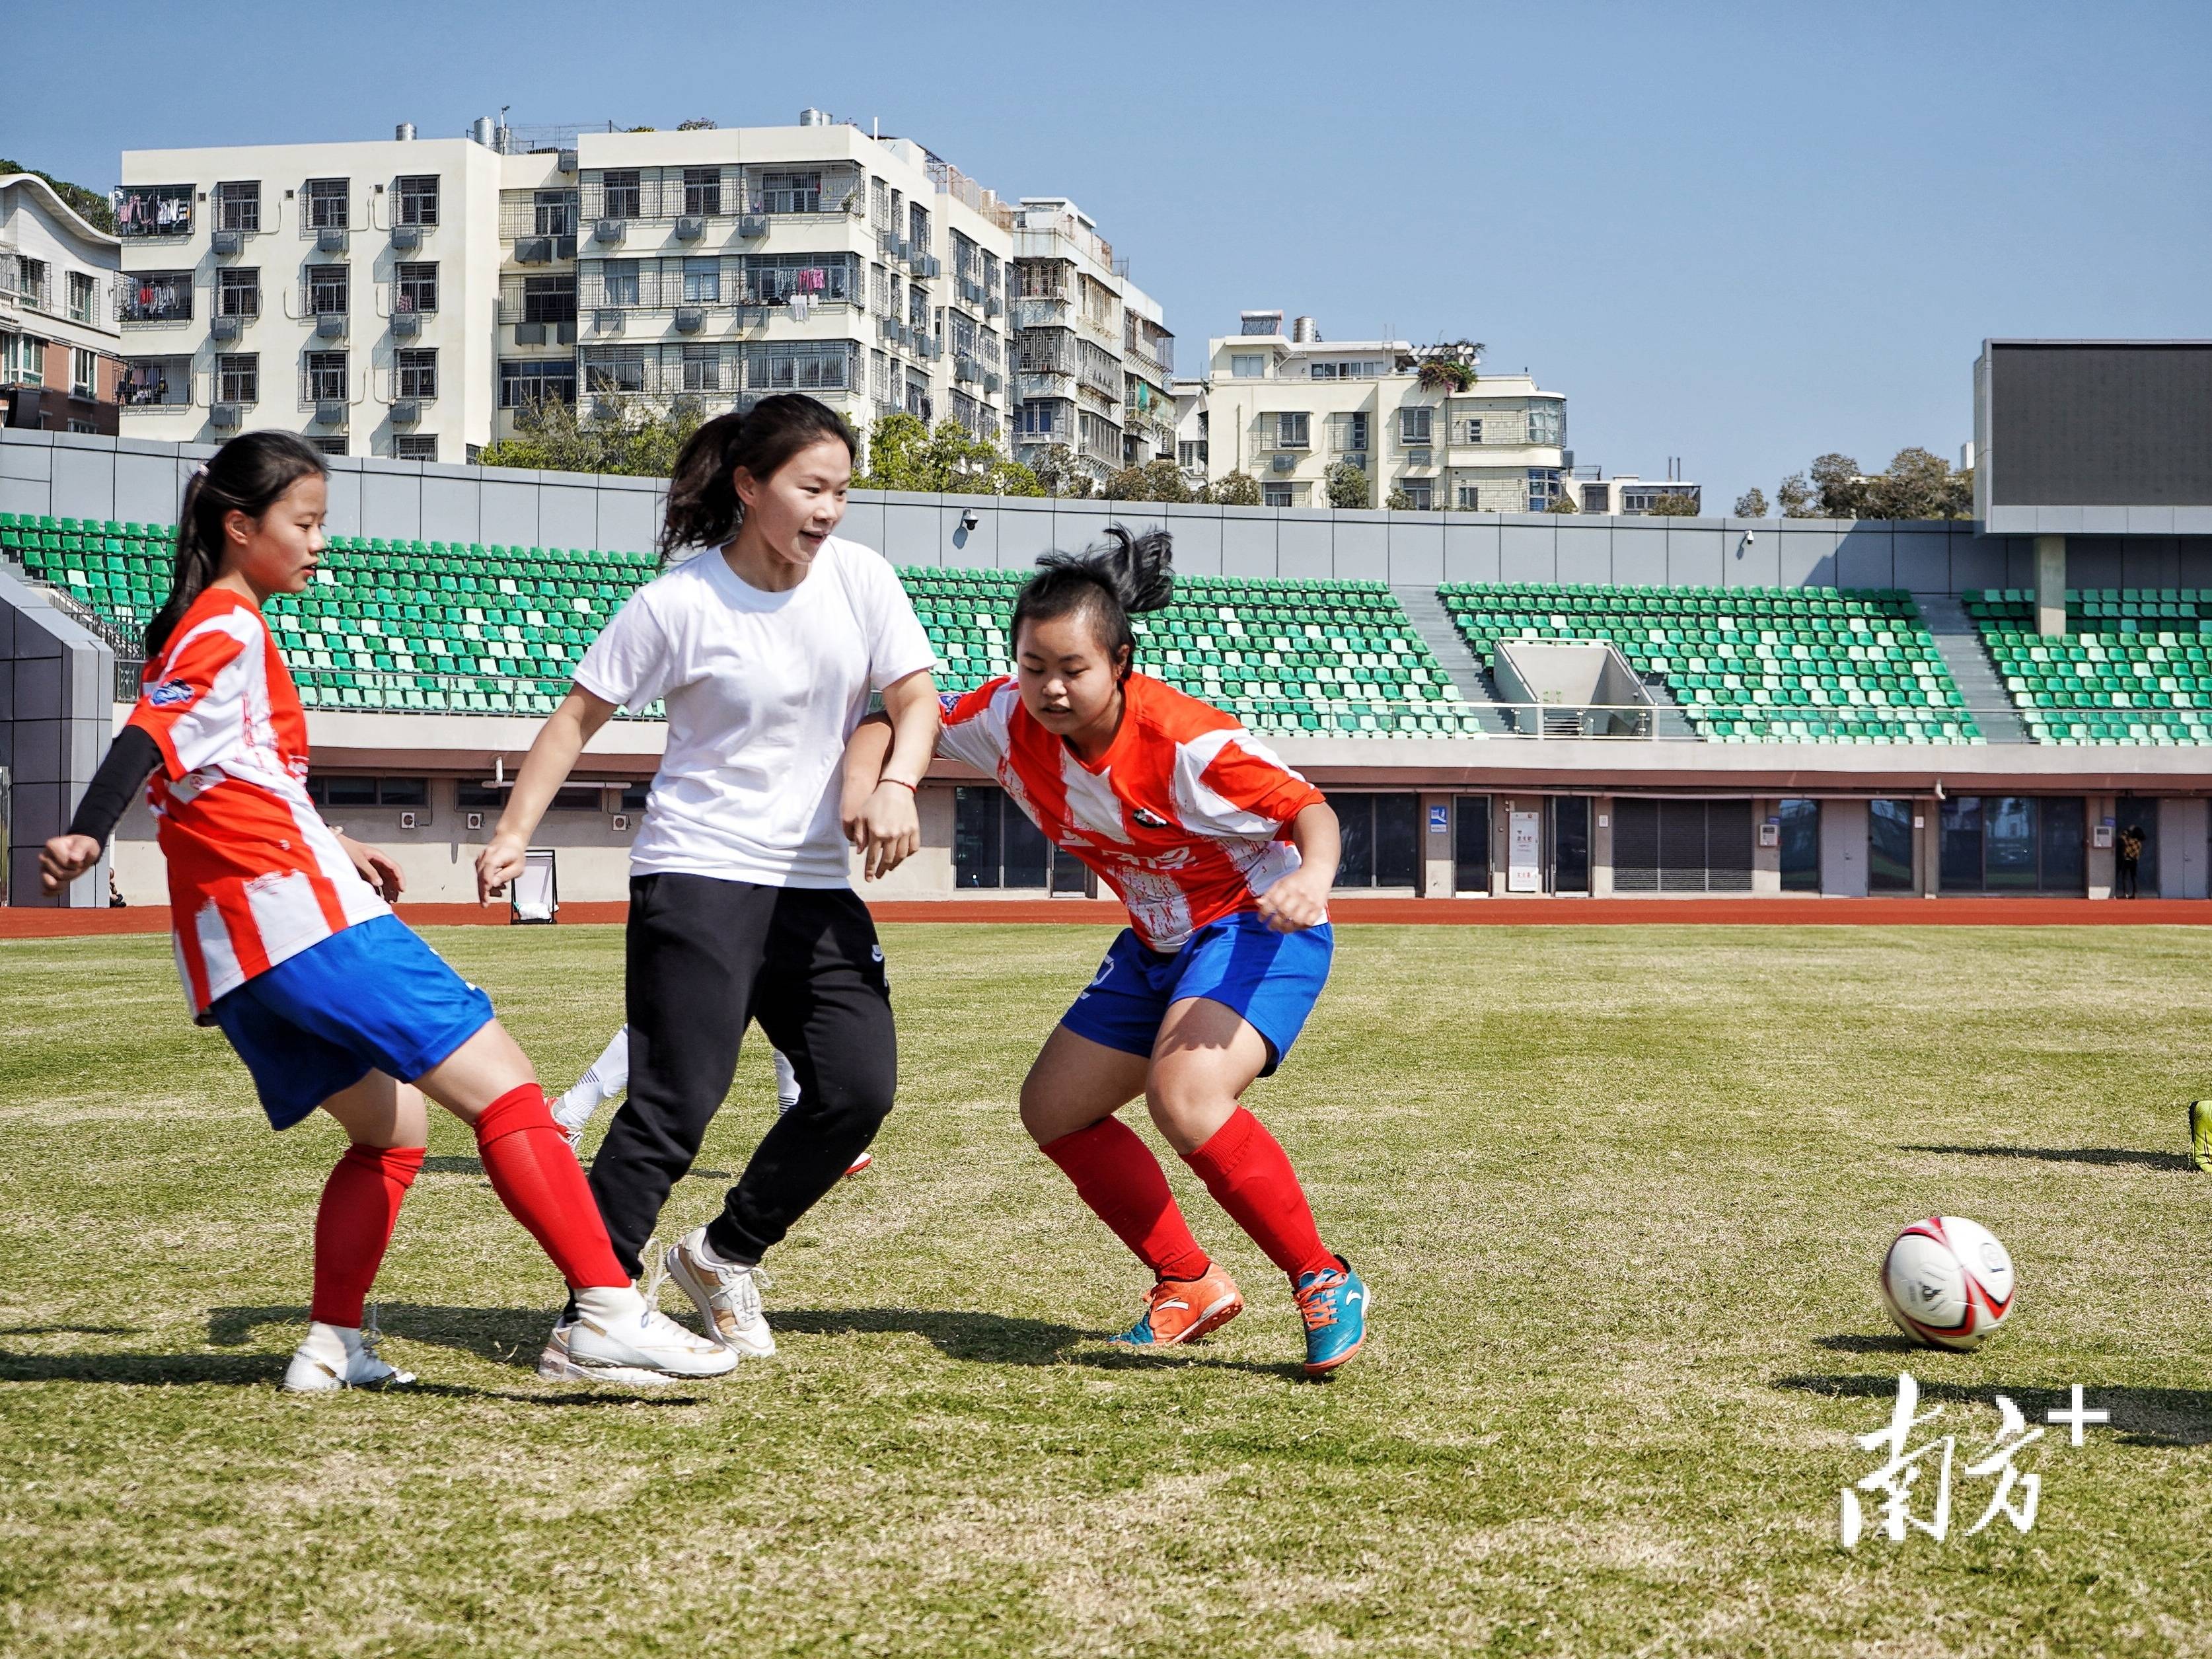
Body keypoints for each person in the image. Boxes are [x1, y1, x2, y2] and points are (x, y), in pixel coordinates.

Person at [39, 431, 735, 1393]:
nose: (322, 541)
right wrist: (86, 832)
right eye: (306, 521)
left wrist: (337, 840)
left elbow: (233, 777)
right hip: (298, 923)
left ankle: (330, 1343)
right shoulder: (226, 624)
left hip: (235, 957)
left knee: (392, 1130)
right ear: (241, 527)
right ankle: (608, 1307)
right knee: (507, 1086)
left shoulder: (213, 626)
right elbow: (145, 737)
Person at [843, 527, 1370, 1377]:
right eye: (1032, 665)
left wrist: (1313, 875)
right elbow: (893, 718)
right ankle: (1188, 1282)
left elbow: (1311, 809)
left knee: (1186, 1096)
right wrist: (880, 786)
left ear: (1121, 660)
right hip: (1156, 942)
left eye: (1073, 669)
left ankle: (1322, 1277)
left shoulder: (1188, 743)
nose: (1049, 688)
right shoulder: (1003, 720)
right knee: (1054, 1110)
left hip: (1255, 926)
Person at [478, 393, 938, 1366]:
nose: (829, 509)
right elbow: (575, 718)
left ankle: (723, 1252)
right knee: (674, 1101)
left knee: (857, 1087)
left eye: (843, 491)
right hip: (699, 869)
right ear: (748, 485)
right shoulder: (679, 601)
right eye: (811, 488)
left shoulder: (861, 578)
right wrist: (515, 831)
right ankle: (591, 1314)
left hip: (813, 884)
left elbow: (914, 697)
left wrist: (896, 780)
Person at [555, 1023, 873, 1177]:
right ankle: (570, 1110)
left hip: (782, 895)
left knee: (795, 1000)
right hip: (720, 895)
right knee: (686, 1006)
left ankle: (804, 1136)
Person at [2117, 825, 2143, 899]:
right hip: (2135, 861)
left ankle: (2126, 893)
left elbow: (2122, 837)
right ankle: (2135, 893)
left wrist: (2127, 830)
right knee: (2134, 877)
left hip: (2128, 859)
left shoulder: (2130, 841)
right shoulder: (2139, 843)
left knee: (2125, 877)